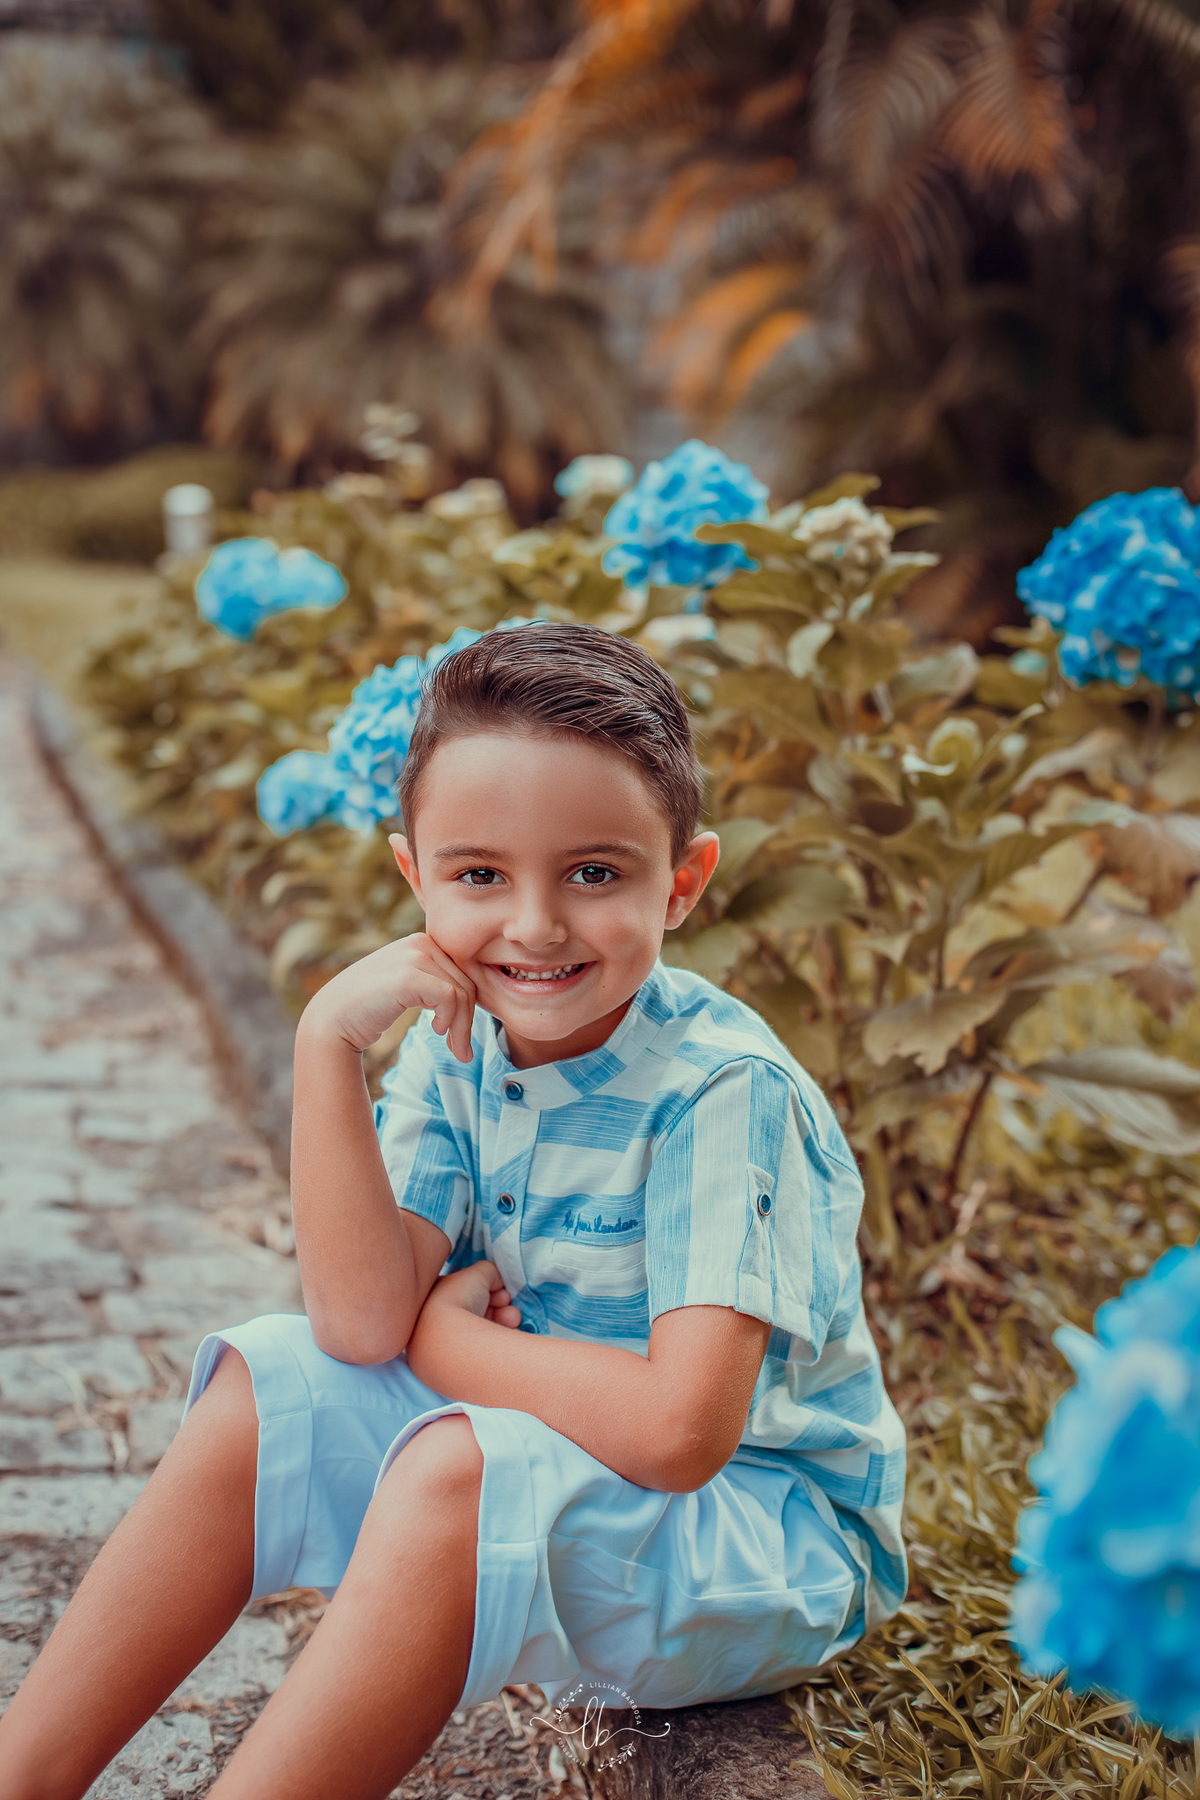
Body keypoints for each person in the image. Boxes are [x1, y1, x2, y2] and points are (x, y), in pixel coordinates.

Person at [0, 622, 906, 1800]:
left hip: (764, 1544)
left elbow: (682, 1435)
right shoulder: (461, 1045)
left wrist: (453, 1342)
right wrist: (326, 1040)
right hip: (583, 1473)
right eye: (481, 875)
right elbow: (360, 1321)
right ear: (413, 877)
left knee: (451, 1470)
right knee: (265, 1383)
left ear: (681, 882)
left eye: (594, 873)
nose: (533, 927)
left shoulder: (718, 1093)